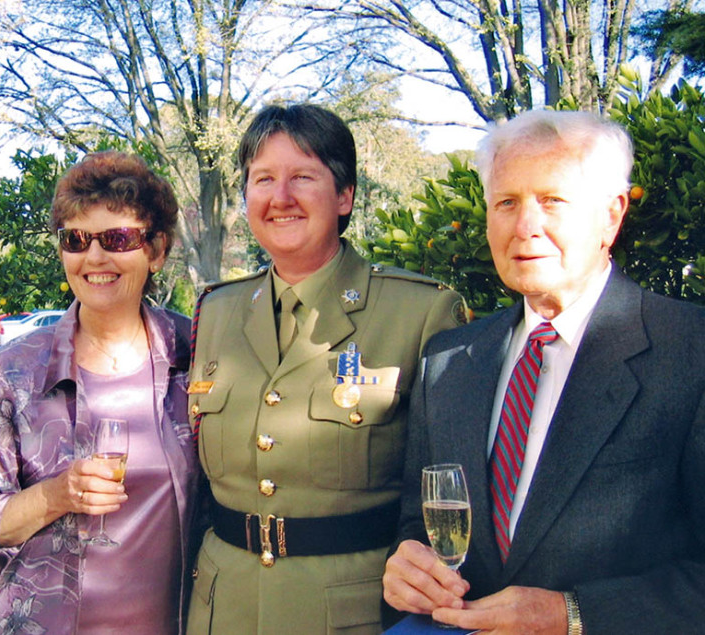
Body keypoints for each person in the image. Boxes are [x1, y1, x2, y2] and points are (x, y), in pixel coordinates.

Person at [383, 109, 705, 634]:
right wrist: (406, 566)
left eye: (552, 200)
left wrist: (572, 616)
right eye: (506, 203)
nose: (525, 226)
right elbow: (419, 523)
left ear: (611, 215)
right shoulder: (447, 361)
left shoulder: (690, 352)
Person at [185, 104, 467, 634]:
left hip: (350, 615)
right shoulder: (215, 311)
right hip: (222, 608)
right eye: (263, 178)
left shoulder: (421, 312)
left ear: (344, 196)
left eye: (303, 177)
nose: (280, 197)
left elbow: (447, 484)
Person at [0, 151, 200, 635]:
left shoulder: (198, 354)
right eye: (76, 239)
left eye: (118, 238)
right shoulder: (12, 371)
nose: (95, 258)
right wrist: (58, 494)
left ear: (157, 249)